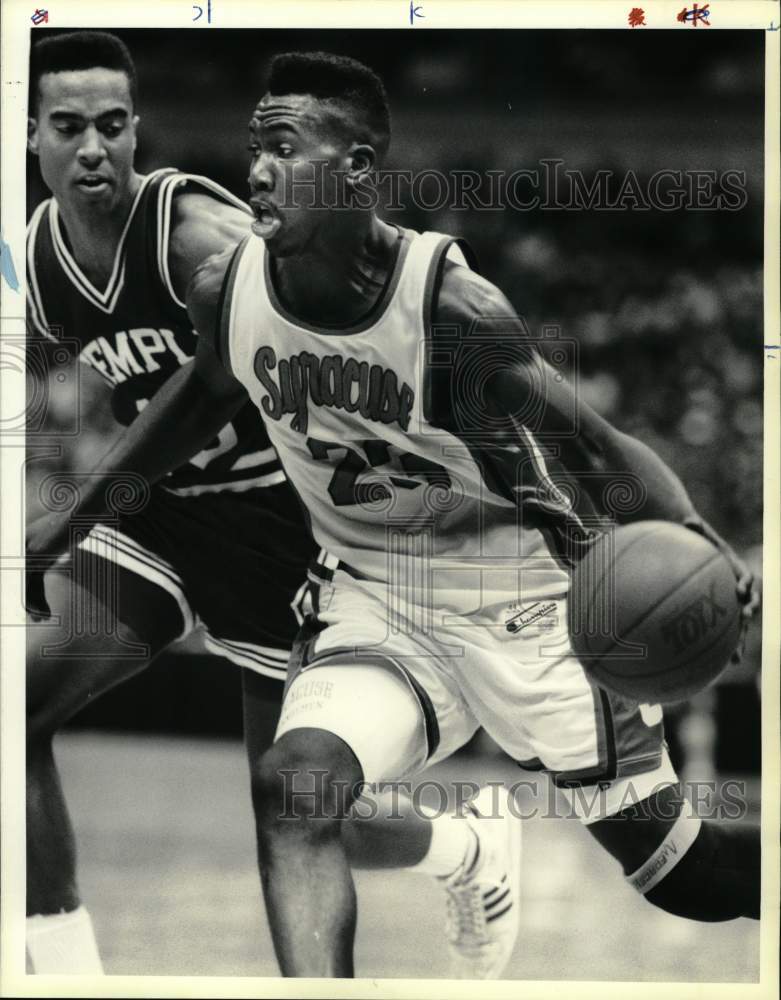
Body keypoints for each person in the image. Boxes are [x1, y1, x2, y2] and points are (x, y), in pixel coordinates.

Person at [30, 46, 761, 979]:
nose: (256, 168)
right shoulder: (232, 287)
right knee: (294, 791)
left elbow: (598, 446)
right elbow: (190, 408)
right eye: (256, 145)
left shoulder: (452, 305)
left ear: (358, 169)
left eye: (285, 148)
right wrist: (70, 519)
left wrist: (696, 539)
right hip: (377, 600)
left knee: (684, 879)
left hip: (524, 604)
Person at [24, 32, 521, 979]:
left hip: (280, 532)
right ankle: (66, 977)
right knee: (14, 710)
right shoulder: (36, 261)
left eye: (114, 125)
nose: (94, 147)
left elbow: (289, 353)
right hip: (160, 515)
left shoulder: (195, 240)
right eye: (69, 126)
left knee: (289, 810)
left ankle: (466, 849)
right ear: (30, 136)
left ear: (138, 134)